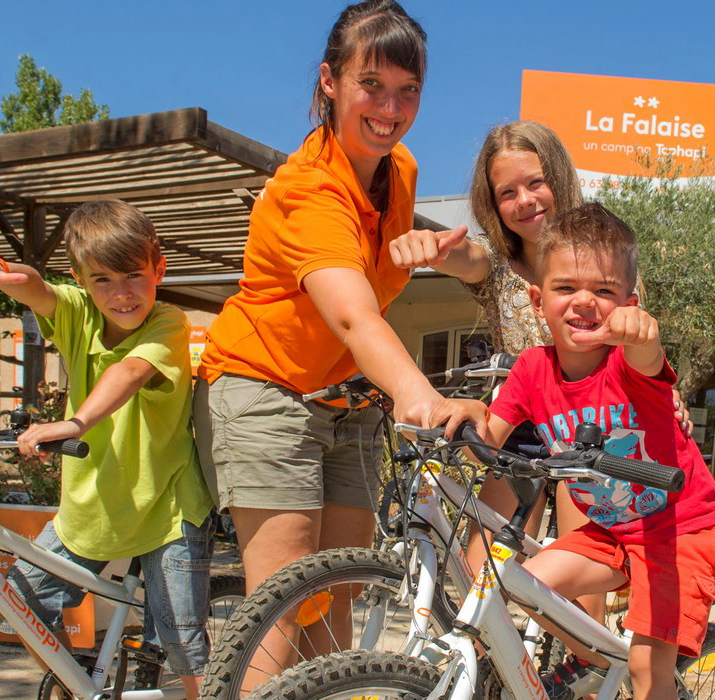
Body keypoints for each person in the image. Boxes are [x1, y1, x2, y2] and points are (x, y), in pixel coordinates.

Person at [192, 0, 479, 689]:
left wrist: (450, 257)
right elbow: (352, 317)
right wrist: (417, 391)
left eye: (407, 90)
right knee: (284, 604)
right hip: (263, 387)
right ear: (329, 81)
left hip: (342, 400)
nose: (390, 106)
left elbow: (393, 283)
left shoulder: (398, 168)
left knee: (337, 597)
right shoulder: (307, 188)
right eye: (370, 84)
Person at [437, 203, 715, 700]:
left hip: (679, 529)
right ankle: (595, 663)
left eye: (605, 291)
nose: (585, 301)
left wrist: (641, 334)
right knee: (518, 587)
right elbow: (491, 436)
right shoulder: (532, 369)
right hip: (610, 530)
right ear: (537, 298)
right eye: (566, 288)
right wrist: (465, 416)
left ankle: (628, 669)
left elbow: (647, 354)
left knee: (646, 669)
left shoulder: (628, 365)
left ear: (629, 302)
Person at [0, 200, 214, 699]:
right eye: (103, 280)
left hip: (167, 509)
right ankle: (76, 687)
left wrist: (74, 421)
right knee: (18, 600)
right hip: (91, 510)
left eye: (134, 275)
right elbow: (38, 289)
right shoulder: (77, 312)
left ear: (159, 268)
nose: (121, 294)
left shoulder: (169, 323)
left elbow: (130, 372)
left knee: (185, 648)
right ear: (82, 280)